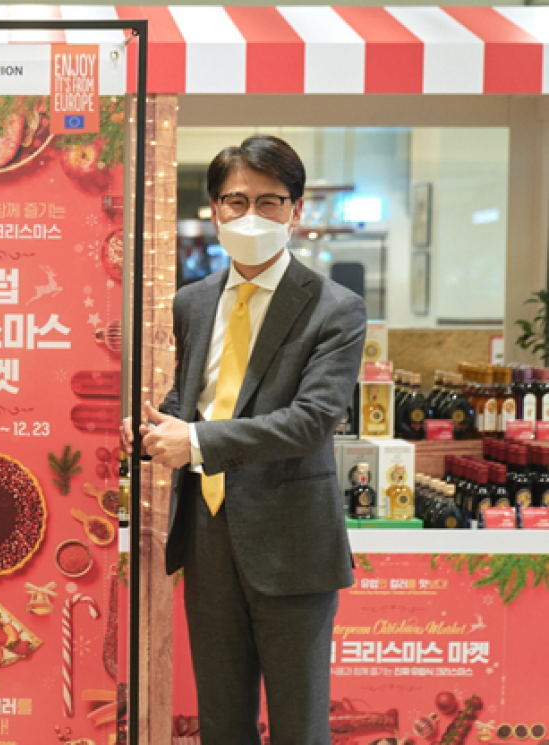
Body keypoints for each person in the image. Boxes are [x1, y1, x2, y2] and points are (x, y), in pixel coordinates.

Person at [121, 135, 366, 744]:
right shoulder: (192, 302)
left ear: (296, 211)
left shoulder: (335, 308)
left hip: (291, 543)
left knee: (299, 728)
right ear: (214, 209)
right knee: (221, 724)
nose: (250, 214)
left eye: (269, 201)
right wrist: (154, 428)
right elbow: (196, 399)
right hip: (206, 536)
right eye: (236, 200)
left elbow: (311, 421)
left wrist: (197, 442)